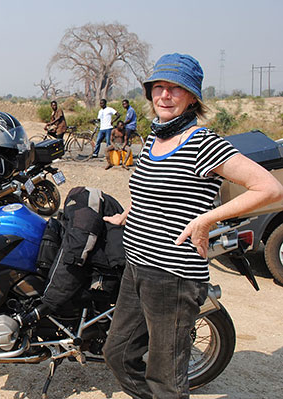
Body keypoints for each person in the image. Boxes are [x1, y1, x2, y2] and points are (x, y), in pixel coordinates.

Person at [102, 53, 283, 398]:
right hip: (137, 267)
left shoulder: (202, 142)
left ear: (192, 98)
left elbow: (270, 188)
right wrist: (129, 214)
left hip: (173, 276)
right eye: (159, 87)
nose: (164, 96)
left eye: (175, 89)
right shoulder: (153, 140)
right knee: (118, 355)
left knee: (166, 378)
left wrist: (208, 218)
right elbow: (155, 192)